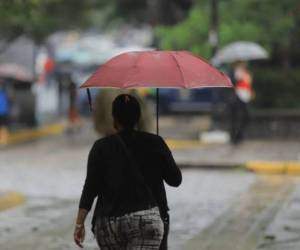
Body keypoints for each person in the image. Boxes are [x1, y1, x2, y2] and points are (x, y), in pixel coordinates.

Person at [74, 94, 182, 249]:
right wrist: (164, 154)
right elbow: (175, 180)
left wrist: (79, 224)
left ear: (114, 119)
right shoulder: (155, 143)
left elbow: (90, 189)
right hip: (146, 222)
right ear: (138, 117)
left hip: (108, 226)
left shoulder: (101, 147)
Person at [229, 62, 253, 144]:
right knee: (235, 118)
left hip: (246, 97)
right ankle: (235, 137)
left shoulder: (247, 73)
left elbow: (248, 85)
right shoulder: (235, 72)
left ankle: (239, 134)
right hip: (237, 97)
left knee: (246, 116)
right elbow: (233, 82)